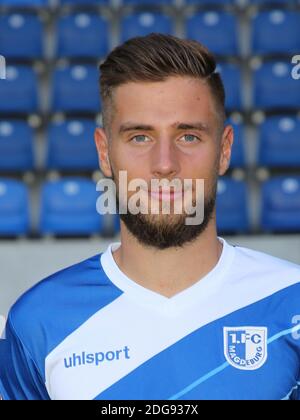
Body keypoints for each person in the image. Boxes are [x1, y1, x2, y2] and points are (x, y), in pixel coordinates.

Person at [1, 33, 300, 400]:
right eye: (140, 137)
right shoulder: (38, 321)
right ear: (104, 152)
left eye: (188, 136)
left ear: (224, 151)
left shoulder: (291, 301)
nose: (164, 164)